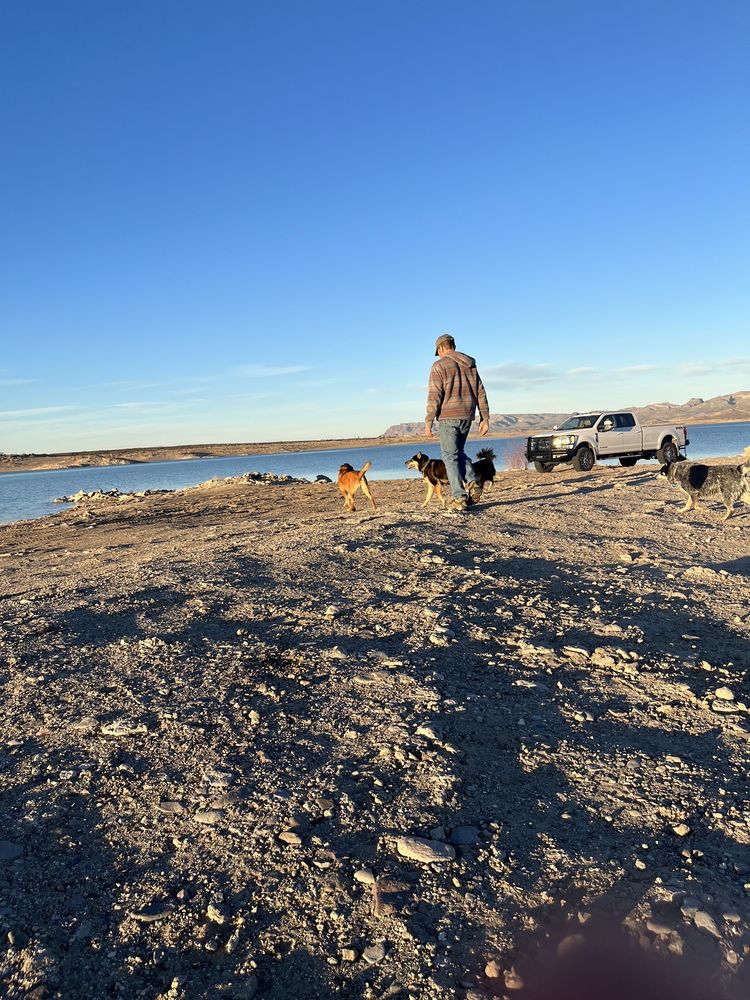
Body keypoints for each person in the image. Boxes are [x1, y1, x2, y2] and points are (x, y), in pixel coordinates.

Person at [425, 333, 490, 511]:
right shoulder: (469, 364)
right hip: (467, 415)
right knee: (458, 452)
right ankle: (473, 482)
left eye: (437, 352)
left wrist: (429, 419)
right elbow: (480, 392)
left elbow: (434, 395)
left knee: (449, 456)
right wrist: (485, 417)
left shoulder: (439, 365)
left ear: (441, 348)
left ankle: (459, 498)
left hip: (448, 416)